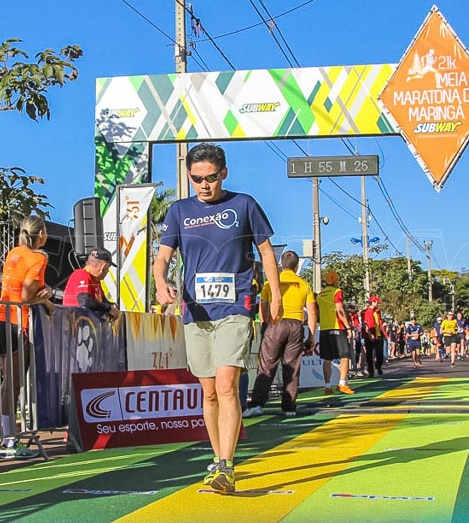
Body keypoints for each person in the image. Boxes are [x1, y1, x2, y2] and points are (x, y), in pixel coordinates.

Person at [153, 142, 280, 495]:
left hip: (236, 308)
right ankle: (218, 459)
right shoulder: (179, 211)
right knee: (208, 393)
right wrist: (161, 283)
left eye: (210, 178)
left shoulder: (244, 205)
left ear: (223, 173)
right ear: (189, 177)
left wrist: (275, 293)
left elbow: (266, 251)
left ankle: (226, 465)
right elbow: (162, 258)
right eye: (197, 179)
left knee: (226, 386)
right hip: (196, 313)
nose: (204, 185)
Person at [0, 214, 52, 460]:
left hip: (2, 319)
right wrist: (45, 298)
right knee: (13, 384)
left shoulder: (13, 252)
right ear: (41, 234)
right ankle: (9, 441)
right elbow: (25, 295)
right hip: (17, 323)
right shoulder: (37, 258)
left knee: (6, 383)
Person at [243, 251, 317, 418]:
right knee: (292, 367)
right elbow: (312, 313)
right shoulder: (304, 285)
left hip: (276, 324)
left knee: (267, 365)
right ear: (296, 266)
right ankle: (289, 407)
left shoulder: (271, 284)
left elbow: (262, 308)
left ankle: (257, 404)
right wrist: (311, 336)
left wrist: (265, 326)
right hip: (296, 325)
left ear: (281, 265)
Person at [316, 270, 356, 397]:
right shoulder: (337, 292)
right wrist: (348, 327)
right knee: (345, 356)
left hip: (324, 329)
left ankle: (327, 386)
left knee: (327, 359)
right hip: (337, 327)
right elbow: (339, 310)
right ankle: (342, 384)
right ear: (336, 280)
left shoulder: (320, 295)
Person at [62, 248, 120, 320]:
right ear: (103, 267)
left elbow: (103, 301)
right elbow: (84, 301)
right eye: (108, 268)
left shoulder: (95, 281)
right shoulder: (81, 274)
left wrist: (113, 306)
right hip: (76, 324)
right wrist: (108, 308)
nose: (107, 271)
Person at [361, 296, 386, 377]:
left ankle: (378, 366)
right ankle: (371, 371)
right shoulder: (366, 312)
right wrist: (369, 334)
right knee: (369, 355)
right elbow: (365, 324)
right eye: (376, 302)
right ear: (372, 302)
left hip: (378, 335)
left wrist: (384, 333)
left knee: (379, 353)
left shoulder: (377, 311)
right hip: (369, 336)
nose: (377, 304)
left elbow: (380, 322)